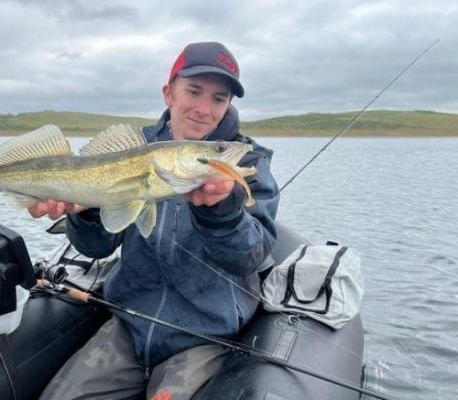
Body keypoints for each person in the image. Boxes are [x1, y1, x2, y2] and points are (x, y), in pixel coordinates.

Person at [30, 41, 280, 400]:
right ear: (169, 93)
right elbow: (97, 247)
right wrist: (84, 214)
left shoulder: (244, 164)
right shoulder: (130, 150)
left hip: (204, 337)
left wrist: (221, 213)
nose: (203, 109)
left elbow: (248, 258)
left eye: (219, 98)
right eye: (193, 91)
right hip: (127, 324)